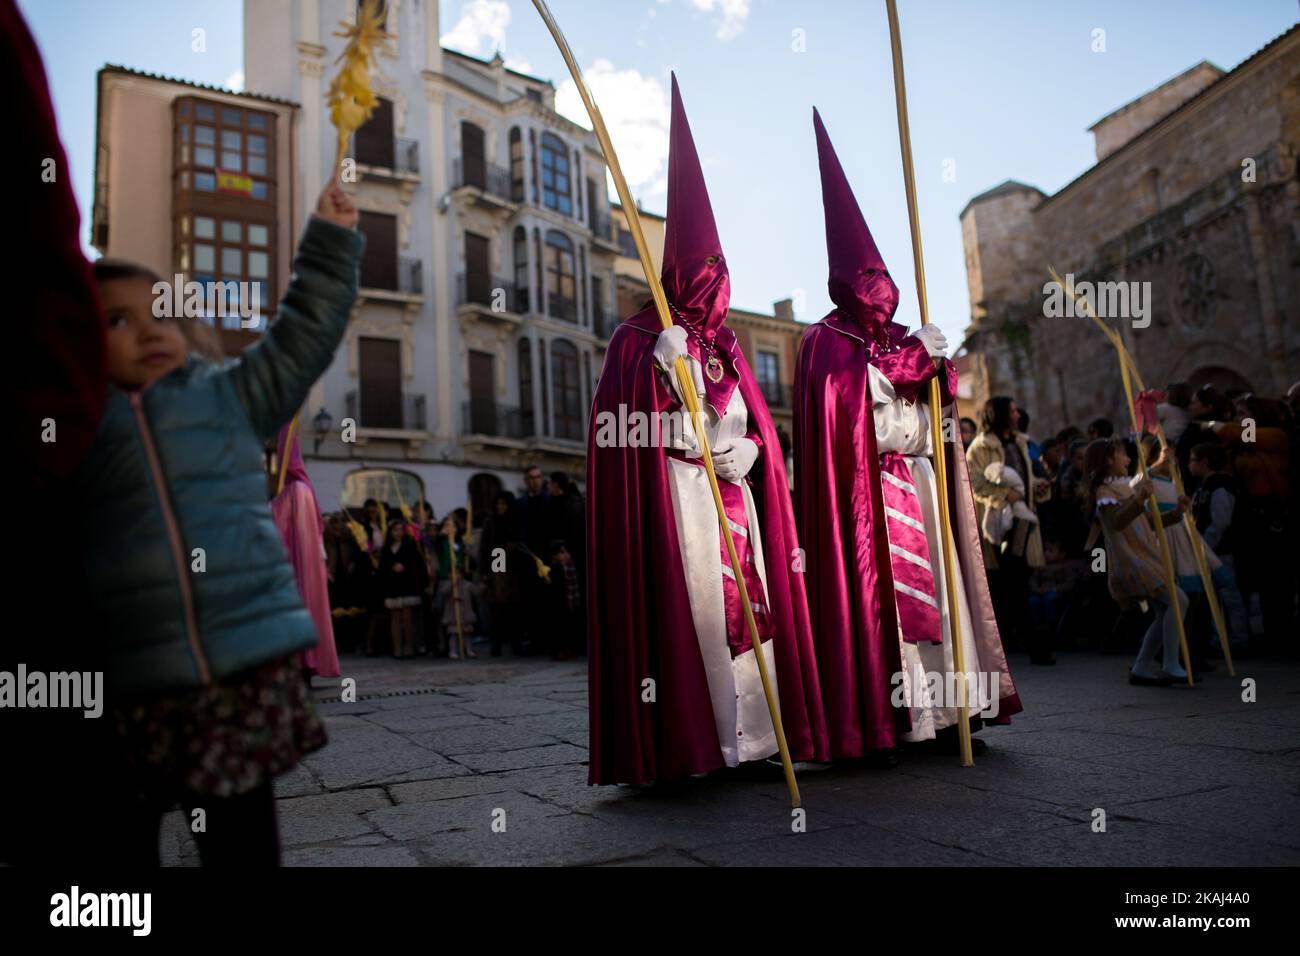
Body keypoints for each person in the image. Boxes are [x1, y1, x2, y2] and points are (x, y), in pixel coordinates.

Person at [79, 176, 362, 865]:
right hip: (127, 680)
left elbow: (301, 337)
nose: (149, 330)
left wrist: (328, 242)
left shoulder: (227, 397)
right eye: (117, 320)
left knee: (241, 842)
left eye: (161, 314)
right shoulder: (76, 430)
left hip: (239, 673)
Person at [586, 77, 829, 785]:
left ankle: (754, 739)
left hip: (735, 502)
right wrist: (663, 397)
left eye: (724, 266)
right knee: (691, 613)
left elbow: (761, 435)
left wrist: (747, 450)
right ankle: (697, 743)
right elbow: (613, 433)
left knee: (749, 612)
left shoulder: (729, 350)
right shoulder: (636, 338)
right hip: (678, 503)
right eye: (705, 265)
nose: (716, 279)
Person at [794, 108, 1021, 761]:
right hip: (870, 493)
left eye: (882, 279)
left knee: (944, 596)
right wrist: (911, 366)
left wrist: (938, 372)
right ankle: (898, 716)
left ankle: (951, 709)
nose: (880, 292)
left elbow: (934, 412)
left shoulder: (899, 338)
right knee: (886, 609)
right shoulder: (824, 342)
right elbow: (850, 400)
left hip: (920, 482)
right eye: (866, 281)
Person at [1084, 437, 1194, 685]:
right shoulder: (1104, 491)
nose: (1128, 459)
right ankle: (1170, 663)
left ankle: (1143, 666)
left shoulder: (1125, 488)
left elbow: (1147, 522)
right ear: (1109, 460)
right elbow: (1116, 522)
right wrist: (1140, 498)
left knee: (1164, 610)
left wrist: (1176, 513)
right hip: (1132, 561)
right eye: (1122, 454)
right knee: (1178, 602)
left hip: (1146, 556)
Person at [968, 395, 1051, 662]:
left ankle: (1020, 644)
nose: (1017, 415)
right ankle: (1027, 646)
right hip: (1000, 526)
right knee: (1010, 585)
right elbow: (975, 482)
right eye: (1012, 411)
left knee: (1019, 583)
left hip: (1023, 522)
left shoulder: (1020, 443)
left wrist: (1036, 486)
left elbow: (1024, 476)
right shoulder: (980, 448)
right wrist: (1004, 495)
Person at [271, 422, 340, 681]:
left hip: (296, 569)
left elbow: (275, 525)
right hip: (308, 568)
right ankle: (309, 664)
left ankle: (301, 663)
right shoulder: (308, 491)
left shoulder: (293, 492)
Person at [479, 491, 523, 656]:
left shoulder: (515, 520)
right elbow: (485, 547)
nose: (500, 507)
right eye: (498, 504)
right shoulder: (491, 522)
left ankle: (515, 643)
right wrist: (484, 571)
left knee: (514, 605)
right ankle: (496, 644)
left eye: (503, 504)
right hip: (498, 559)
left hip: (514, 564)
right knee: (498, 605)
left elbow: (520, 542)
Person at [377, 517, 427, 658]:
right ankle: (397, 647)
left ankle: (409, 646)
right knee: (395, 618)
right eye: (395, 530)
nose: (398, 533)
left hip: (407, 584)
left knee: (408, 617)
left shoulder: (410, 546)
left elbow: (417, 564)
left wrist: (405, 566)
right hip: (393, 585)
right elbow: (382, 568)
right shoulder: (386, 549)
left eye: (400, 530)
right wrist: (391, 567)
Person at [437, 515, 477, 659]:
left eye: (452, 525)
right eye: (446, 525)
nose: (449, 528)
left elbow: (467, 559)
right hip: (446, 579)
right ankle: (447, 647)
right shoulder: (441, 542)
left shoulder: (460, 543)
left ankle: (467, 648)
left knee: (463, 616)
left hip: (460, 579)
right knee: (445, 613)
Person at [547, 539, 583, 661]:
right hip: (559, 602)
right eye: (562, 552)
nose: (566, 554)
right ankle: (559, 651)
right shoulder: (553, 568)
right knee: (560, 627)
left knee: (570, 626)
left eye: (566, 551)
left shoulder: (571, 566)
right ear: (555, 556)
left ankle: (570, 650)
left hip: (572, 600)